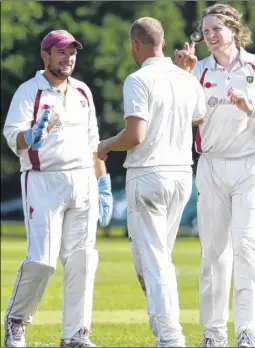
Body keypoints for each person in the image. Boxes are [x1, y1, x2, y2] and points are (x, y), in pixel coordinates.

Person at [174, 3, 255, 347]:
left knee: (244, 246)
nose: (210, 36)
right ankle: (213, 333)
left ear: (234, 31)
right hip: (210, 164)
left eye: (216, 29)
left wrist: (252, 107)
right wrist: (182, 76)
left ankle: (246, 332)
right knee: (213, 251)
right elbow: (176, 114)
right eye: (205, 30)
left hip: (250, 163)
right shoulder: (198, 70)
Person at [97, 17, 206, 347]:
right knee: (155, 258)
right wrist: (188, 75)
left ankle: (170, 337)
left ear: (135, 44)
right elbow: (200, 117)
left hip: (149, 175)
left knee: (154, 261)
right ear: (161, 42)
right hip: (182, 174)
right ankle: (169, 329)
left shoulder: (137, 79)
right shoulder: (187, 78)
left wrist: (104, 146)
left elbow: (135, 135)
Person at [3, 29, 113, 348]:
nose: (68, 58)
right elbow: (13, 138)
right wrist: (33, 134)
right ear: (45, 55)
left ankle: (75, 334)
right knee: (43, 260)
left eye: (72, 53)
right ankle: (16, 322)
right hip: (43, 180)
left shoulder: (82, 92)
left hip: (83, 181)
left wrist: (101, 184)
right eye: (61, 52)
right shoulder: (29, 92)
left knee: (82, 259)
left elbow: (94, 144)